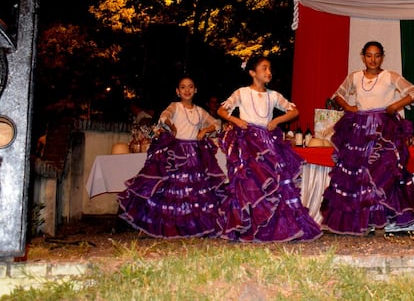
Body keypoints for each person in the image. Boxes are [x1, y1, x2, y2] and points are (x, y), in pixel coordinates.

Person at [320, 41, 414, 236]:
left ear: (382, 56)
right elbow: (338, 95)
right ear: (363, 57)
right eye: (369, 55)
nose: (373, 59)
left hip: (384, 128)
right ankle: (362, 222)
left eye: (377, 55)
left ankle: (380, 222)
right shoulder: (355, 77)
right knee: (358, 175)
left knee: (383, 173)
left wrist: (394, 106)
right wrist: (349, 108)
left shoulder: (389, 76)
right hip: (359, 130)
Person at [216, 55, 322, 242]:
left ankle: (274, 227)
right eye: (264, 68)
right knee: (250, 182)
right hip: (248, 142)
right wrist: (236, 120)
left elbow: (294, 111)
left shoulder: (273, 96)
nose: (268, 72)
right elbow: (222, 110)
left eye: (270, 68)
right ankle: (249, 226)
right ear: (252, 72)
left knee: (274, 182)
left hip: (267, 142)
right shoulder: (241, 92)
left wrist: (277, 120)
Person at [117, 76, 227, 238]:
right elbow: (164, 117)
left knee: (193, 191)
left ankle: (192, 226)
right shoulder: (175, 106)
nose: (187, 90)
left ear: (195, 90)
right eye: (183, 87)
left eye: (190, 87)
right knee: (172, 190)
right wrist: (172, 125)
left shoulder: (199, 111)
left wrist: (204, 130)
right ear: (177, 91)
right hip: (177, 152)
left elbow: (217, 124)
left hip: (194, 154)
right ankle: (171, 225)